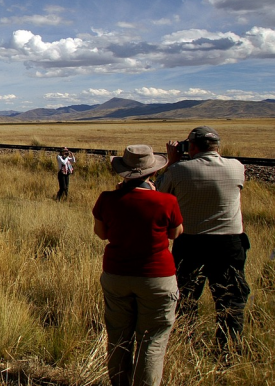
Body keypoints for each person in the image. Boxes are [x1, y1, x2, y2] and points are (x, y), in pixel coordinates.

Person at [93, 145, 183, 386]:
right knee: (152, 340)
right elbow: (176, 233)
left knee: (118, 337)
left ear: (122, 173)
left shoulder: (107, 199)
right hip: (157, 276)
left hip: (117, 274)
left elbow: (101, 234)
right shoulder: (166, 201)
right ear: (152, 173)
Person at [155, 126, 249, 353]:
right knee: (230, 298)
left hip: (191, 242)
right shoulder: (237, 167)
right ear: (218, 147)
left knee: (186, 296)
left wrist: (172, 162)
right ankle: (228, 348)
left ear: (192, 146)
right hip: (230, 243)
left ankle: (187, 343)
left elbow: (158, 193)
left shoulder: (178, 170)